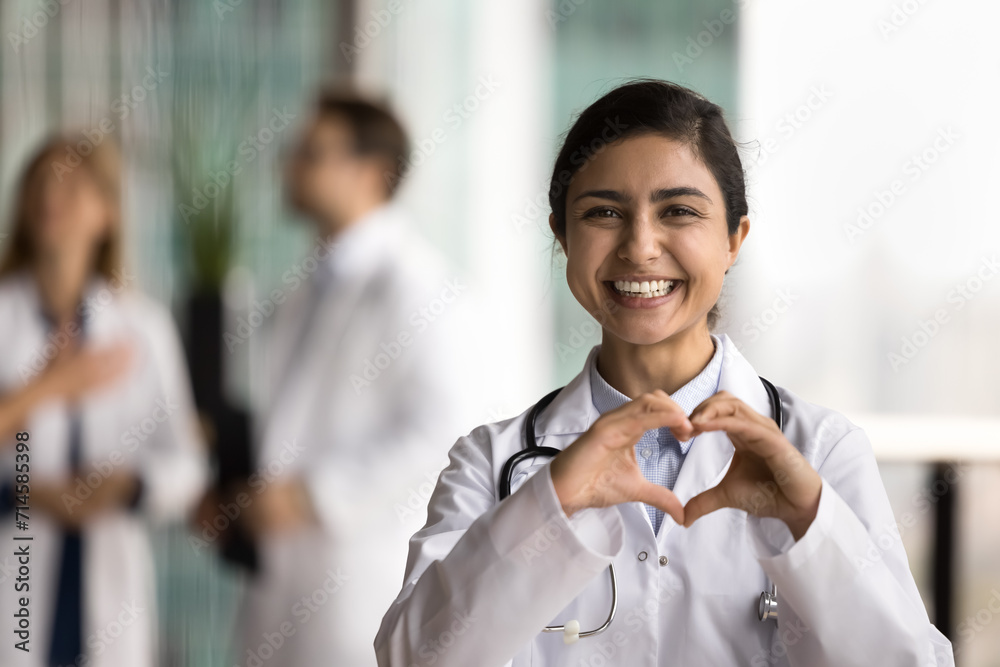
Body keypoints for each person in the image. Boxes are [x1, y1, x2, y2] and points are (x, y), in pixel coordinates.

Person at [374, 80, 956, 666]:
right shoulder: (491, 462)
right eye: (603, 212)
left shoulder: (823, 452)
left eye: (678, 211)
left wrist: (811, 523)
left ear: (734, 238)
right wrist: (550, 505)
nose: (640, 246)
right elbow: (412, 659)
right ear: (562, 235)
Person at [236, 90, 478, 666]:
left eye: (312, 152)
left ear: (372, 171)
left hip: (357, 581)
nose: (290, 166)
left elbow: (441, 429)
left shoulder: (420, 287)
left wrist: (311, 495)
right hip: (280, 575)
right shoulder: (306, 287)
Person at [0, 134, 209, 666]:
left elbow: (186, 463)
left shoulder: (142, 328)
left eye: (72, 183)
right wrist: (21, 492)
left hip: (107, 566)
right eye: (40, 180)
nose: (51, 194)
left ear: (108, 214)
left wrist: (131, 486)